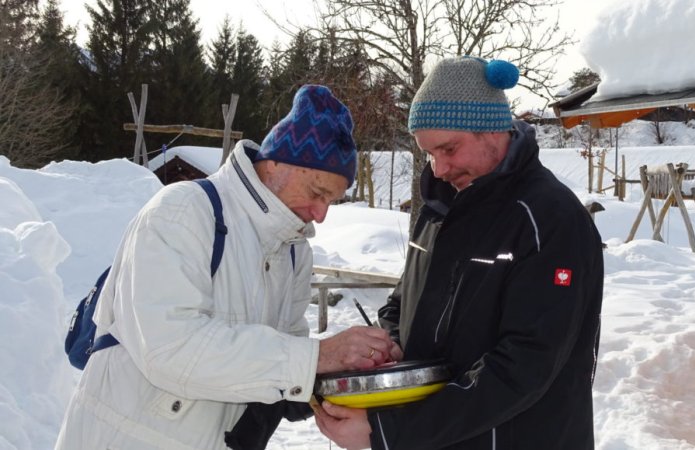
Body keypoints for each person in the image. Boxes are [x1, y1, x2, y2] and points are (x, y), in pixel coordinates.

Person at [55, 84, 399, 450]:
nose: (322, 214)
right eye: (317, 193)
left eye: (332, 200)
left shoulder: (295, 252)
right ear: (277, 163)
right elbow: (170, 349)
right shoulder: (184, 212)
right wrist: (319, 356)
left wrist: (342, 377)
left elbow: (281, 364)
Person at [314, 57, 605, 449]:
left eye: (448, 148)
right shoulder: (440, 209)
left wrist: (389, 431)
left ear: (491, 129)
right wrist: (391, 344)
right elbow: (405, 302)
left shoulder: (547, 219)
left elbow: (526, 365)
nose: (438, 168)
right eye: (429, 154)